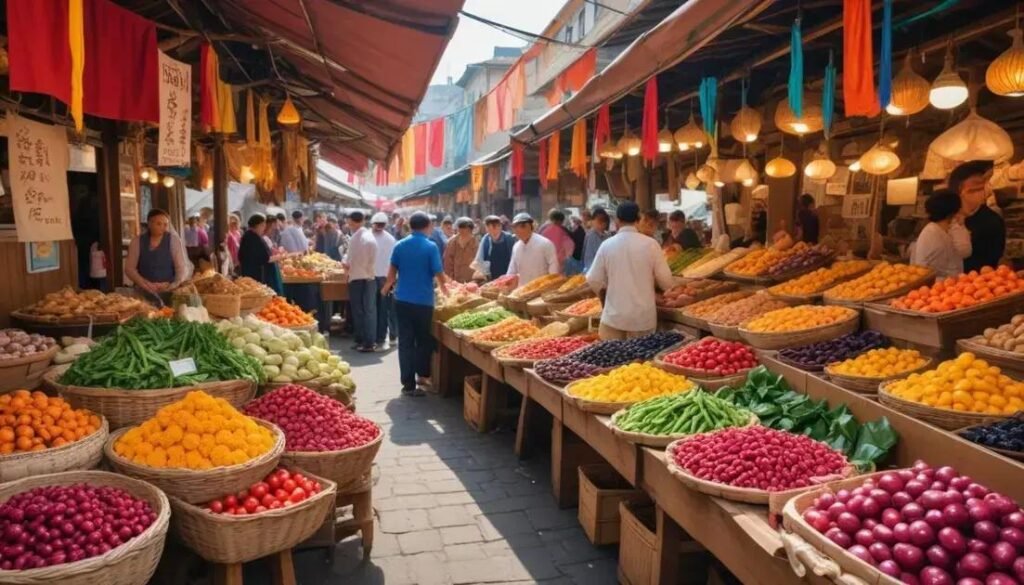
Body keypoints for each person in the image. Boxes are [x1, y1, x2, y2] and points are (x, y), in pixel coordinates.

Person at [380, 212, 449, 396]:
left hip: (401, 300)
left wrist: (385, 289)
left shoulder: (400, 245)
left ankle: (407, 383)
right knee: (423, 340)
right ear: (427, 226)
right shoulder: (430, 246)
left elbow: (391, 274)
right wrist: (446, 290)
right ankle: (423, 376)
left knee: (405, 341)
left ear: (410, 226)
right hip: (423, 301)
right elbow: (439, 274)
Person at [586, 202, 675, 340]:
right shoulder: (651, 245)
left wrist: (604, 295)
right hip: (642, 319)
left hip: (613, 317)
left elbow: (593, 279)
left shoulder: (607, 245)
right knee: (640, 360)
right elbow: (666, 282)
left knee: (612, 360)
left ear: (617, 220)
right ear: (638, 219)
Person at [949, 160, 1005, 272]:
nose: (980, 192)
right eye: (974, 189)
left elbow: (994, 258)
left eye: (981, 187)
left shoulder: (992, 221)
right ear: (959, 191)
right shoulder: (947, 217)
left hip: (978, 282)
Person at [125, 208, 190, 298]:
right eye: (159, 224)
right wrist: (145, 284)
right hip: (142, 291)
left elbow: (181, 268)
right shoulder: (137, 241)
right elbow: (129, 269)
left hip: (168, 291)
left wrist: (172, 285)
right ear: (149, 223)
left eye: (165, 224)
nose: (163, 227)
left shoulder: (173, 240)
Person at [909, 189, 972, 279]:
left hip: (945, 287)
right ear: (953, 212)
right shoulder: (933, 233)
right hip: (938, 287)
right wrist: (958, 226)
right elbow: (965, 251)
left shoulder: (937, 230)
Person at [344, 211, 378, 352]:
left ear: (351, 222)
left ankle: (364, 341)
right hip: (370, 278)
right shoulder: (369, 237)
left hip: (357, 278)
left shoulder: (356, 238)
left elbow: (348, 261)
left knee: (359, 311)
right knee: (369, 311)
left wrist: (345, 266)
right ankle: (367, 341)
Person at [507, 213, 558, 284]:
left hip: (541, 289)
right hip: (522, 289)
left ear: (531, 227)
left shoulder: (545, 243)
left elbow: (554, 268)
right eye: (515, 227)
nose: (519, 230)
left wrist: (551, 286)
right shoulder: (516, 247)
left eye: (523, 226)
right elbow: (512, 270)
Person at [371, 213, 398, 350]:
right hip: (386, 277)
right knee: (385, 308)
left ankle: (380, 335)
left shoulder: (370, 237)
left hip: (376, 277)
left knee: (377, 308)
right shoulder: (391, 239)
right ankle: (387, 335)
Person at [238, 213, 283, 294]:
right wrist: (280, 257)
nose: (264, 228)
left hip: (251, 271)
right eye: (263, 225)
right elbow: (265, 258)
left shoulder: (249, 235)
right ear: (258, 225)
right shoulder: (253, 238)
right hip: (254, 273)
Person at [476, 215, 516, 280]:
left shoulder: (508, 238)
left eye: (496, 226)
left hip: (507, 273)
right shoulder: (486, 239)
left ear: (500, 226)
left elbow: (514, 258)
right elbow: (480, 258)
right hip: (491, 275)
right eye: (489, 228)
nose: (494, 230)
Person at [443, 217, 478, 282]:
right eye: (461, 229)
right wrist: (450, 280)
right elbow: (447, 263)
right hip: (455, 281)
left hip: (472, 281)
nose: (463, 232)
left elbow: (479, 262)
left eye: (467, 230)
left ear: (470, 230)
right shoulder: (452, 242)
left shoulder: (476, 242)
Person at [582, 207, 612, 272]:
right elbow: (588, 259)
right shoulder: (591, 235)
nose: (603, 223)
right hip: (594, 272)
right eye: (599, 220)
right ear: (593, 221)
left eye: (604, 220)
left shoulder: (607, 235)